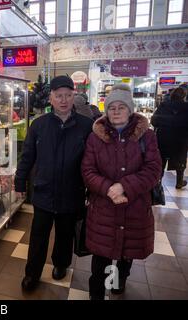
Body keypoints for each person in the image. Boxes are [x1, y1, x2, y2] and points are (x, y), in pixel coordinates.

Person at [81, 84, 161, 300]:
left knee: (126, 254)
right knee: (101, 260)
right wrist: (109, 189)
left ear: (131, 110)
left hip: (134, 207)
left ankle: (118, 282)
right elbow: (87, 170)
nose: (116, 111)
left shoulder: (147, 137)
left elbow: (154, 170)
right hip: (104, 208)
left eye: (121, 107)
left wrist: (124, 186)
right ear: (106, 111)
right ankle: (96, 295)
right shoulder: (95, 137)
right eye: (112, 107)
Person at [14, 76, 93, 291]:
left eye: (68, 95)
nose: (64, 100)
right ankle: (32, 274)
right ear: (51, 98)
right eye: (59, 96)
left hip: (72, 192)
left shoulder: (86, 126)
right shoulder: (39, 125)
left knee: (65, 235)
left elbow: (93, 161)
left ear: (74, 96)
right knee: (38, 236)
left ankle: (60, 264)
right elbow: (27, 157)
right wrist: (20, 183)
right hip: (43, 192)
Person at [151, 87, 188, 189]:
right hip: (180, 141)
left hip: (163, 138)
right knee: (180, 161)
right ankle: (179, 182)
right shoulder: (186, 107)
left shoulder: (163, 105)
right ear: (184, 96)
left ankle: (157, 183)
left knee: (161, 162)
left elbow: (154, 121)